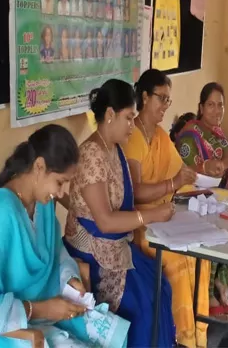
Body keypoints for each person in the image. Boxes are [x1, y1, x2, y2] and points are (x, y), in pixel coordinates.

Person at [0, 125, 130, 347]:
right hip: (4, 327)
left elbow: (56, 252)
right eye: (60, 182)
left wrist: (69, 279)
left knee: (110, 331)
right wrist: (43, 309)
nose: (62, 193)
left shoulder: (42, 205)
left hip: (41, 307)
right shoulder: (1, 213)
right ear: (39, 167)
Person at [64, 79, 176, 348]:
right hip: (92, 252)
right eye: (128, 118)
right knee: (145, 302)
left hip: (115, 244)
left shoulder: (113, 149)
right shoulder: (92, 154)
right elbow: (104, 220)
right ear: (110, 114)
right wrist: (150, 216)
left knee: (162, 285)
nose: (131, 126)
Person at [121, 69, 210, 348]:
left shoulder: (159, 135)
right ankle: (178, 338)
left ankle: (197, 335)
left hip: (165, 218)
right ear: (144, 97)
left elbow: (181, 172)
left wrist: (207, 173)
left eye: (168, 101)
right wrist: (172, 183)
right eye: (161, 98)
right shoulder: (132, 136)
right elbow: (135, 192)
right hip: (141, 225)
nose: (164, 107)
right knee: (176, 262)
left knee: (200, 257)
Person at [174, 83, 228, 323]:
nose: (217, 111)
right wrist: (227, 162)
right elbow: (196, 174)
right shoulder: (189, 135)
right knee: (217, 230)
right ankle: (207, 297)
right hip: (192, 205)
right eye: (211, 105)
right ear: (201, 107)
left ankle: (222, 286)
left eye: (221, 105)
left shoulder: (217, 134)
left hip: (216, 202)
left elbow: (225, 169)